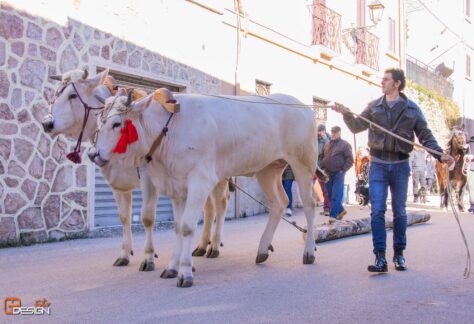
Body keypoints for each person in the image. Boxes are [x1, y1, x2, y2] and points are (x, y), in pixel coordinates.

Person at [331, 68, 454, 273]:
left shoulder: (412, 110)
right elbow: (355, 126)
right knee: (377, 211)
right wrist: (345, 113)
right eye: (382, 80)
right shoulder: (374, 107)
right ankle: (380, 258)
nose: (382, 83)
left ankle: (399, 254)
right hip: (378, 164)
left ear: (397, 83)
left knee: (399, 213)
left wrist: (440, 155)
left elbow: (425, 136)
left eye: (386, 80)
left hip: (400, 165)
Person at [319, 126, 354, 224]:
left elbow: (350, 160)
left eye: (335, 132)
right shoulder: (327, 144)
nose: (333, 134)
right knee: (329, 195)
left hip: (339, 173)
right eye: (332, 132)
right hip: (327, 173)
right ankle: (341, 210)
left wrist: (343, 170)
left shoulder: (345, 145)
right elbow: (321, 157)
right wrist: (322, 168)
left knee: (336, 194)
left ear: (339, 133)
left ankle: (332, 216)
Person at [317, 124, 331, 215]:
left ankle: (327, 209)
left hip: (327, 168)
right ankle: (326, 207)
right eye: (319, 131)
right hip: (318, 168)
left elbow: (330, 150)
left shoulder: (328, 139)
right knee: (322, 189)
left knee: (326, 190)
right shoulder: (316, 140)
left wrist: (325, 138)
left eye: (322, 130)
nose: (320, 133)